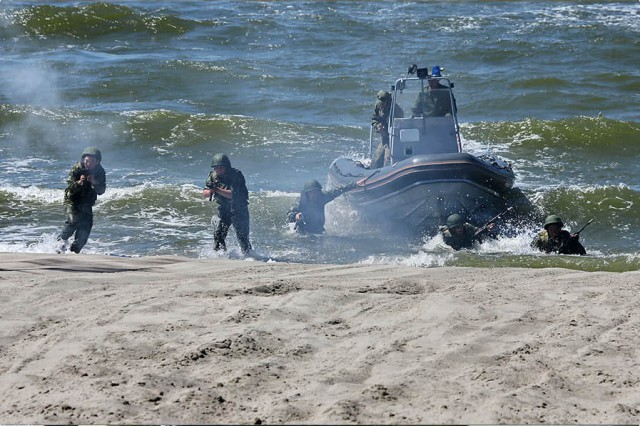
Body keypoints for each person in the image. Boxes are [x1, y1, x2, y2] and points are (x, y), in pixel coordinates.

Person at [57, 146, 107, 254]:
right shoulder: (77, 168)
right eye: (86, 161)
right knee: (73, 221)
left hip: (86, 202)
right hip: (72, 201)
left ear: (97, 162)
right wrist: (79, 183)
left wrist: (94, 182)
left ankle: (73, 252)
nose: (88, 164)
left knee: (85, 228)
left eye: (91, 161)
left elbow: (101, 191)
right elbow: (69, 188)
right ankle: (59, 244)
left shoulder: (100, 172)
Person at [203, 153, 252, 254]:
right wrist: (211, 190)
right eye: (216, 168)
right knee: (218, 237)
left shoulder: (236, 175)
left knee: (243, 239)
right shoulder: (213, 176)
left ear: (227, 167)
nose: (219, 170)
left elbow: (232, 195)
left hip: (239, 210)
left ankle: (250, 257)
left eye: (221, 167)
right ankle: (221, 257)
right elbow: (205, 193)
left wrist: (216, 189)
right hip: (224, 210)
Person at [287, 179, 357, 235]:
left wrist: (354, 185)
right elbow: (289, 214)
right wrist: (296, 215)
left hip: (318, 231)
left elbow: (338, 191)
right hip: (303, 232)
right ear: (307, 193)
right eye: (311, 192)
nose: (314, 194)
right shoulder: (301, 202)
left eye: (316, 191)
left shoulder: (322, 197)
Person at [370, 90, 393, 169]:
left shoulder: (395, 110)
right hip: (384, 138)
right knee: (376, 160)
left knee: (388, 159)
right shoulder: (378, 106)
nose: (381, 105)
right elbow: (374, 119)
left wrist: (386, 129)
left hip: (393, 139)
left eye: (383, 102)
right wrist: (377, 126)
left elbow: (398, 125)